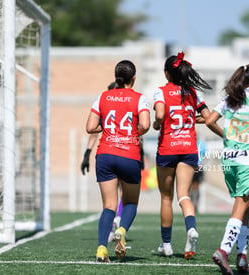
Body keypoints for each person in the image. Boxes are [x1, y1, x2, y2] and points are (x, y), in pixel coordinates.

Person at [205, 64, 249, 274]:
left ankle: (242, 256)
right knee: (240, 207)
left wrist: (227, 135)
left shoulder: (231, 98)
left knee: (246, 206)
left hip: (229, 161)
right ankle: (224, 250)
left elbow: (209, 121)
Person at [153, 51, 220, 259]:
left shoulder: (161, 91)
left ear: (167, 74)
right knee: (184, 195)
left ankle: (166, 245)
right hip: (189, 149)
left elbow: (161, 115)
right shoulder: (193, 93)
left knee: (166, 197)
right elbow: (208, 118)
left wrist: (157, 123)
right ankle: (191, 228)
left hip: (167, 149)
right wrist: (191, 119)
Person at [86, 60, 150, 262]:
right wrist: (131, 132)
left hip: (104, 154)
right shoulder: (139, 98)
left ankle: (101, 248)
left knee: (109, 206)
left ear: (116, 77)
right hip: (129, 154)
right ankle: (121, 229)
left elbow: (90, 127)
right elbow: (145, 125)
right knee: (130, 201)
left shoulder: (102, 97)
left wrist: (109, 129)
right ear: (134, 78)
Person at [81, 82, 123, 243]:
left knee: (110, 200)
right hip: (125, 154)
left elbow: (92, 129)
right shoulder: (129, 102)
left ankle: (113, 225)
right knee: (122, 194)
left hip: (107, 155)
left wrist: (87, 153)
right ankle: (118, 220)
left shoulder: (106, 102)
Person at [190, 140, 206, 213]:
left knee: (194, 186)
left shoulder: (201, 144)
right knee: (192, 186)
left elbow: (204, 156)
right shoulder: (200, 144)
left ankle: (194, 203)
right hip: (193, 167)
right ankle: (193, 203)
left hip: (195, 167)